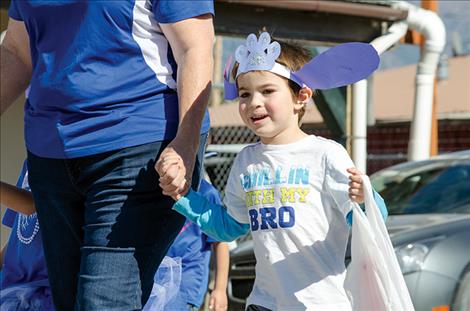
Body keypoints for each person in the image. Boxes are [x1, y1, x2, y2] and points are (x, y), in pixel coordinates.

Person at [0, 1, 214, 309]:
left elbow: (195, 47)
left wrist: (186, 141)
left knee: (102, 303)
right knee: (70, 302)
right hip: (49, 155)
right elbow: (17, 52)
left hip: (138, 143)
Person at [157, 32, 388, 310]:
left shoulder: (326, 154)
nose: (253, 102)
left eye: (267, 91)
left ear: (301, 97)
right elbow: (229, 227)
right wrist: (183, 195)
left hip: (319, 304)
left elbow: (374, 221)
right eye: (245, 93)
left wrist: (365, 199)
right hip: (263, 303)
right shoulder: (246, 161)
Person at [145, 178, 229, 311]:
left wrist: (220, 289)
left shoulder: (207, 193)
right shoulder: (156, 187)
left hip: (186, 283)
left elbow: (220, 243)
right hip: (155, 279)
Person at [0, 162, 53, 310]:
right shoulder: (30, 162)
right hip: (11, 286)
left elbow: (31, 205)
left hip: (44, 291)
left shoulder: (68, 160)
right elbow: (16, 238)